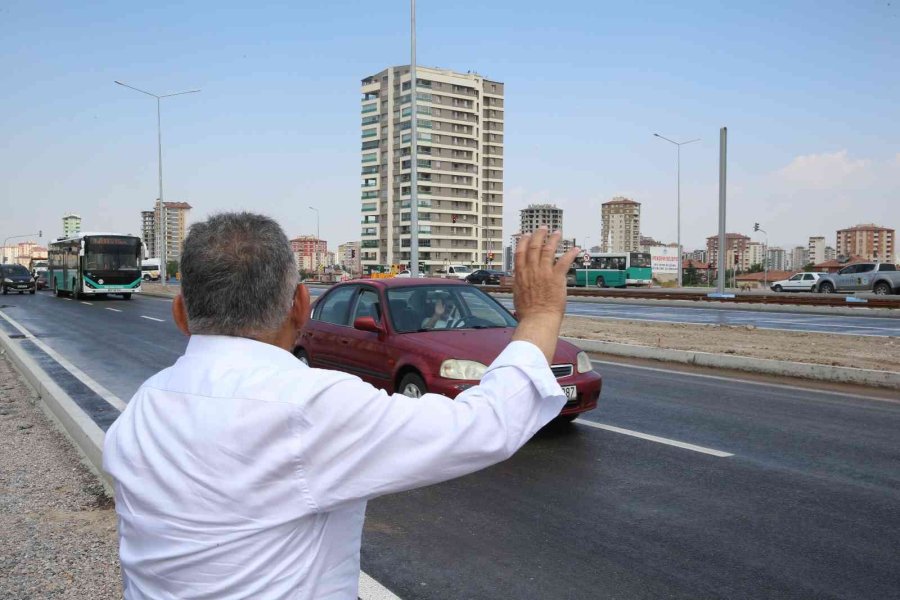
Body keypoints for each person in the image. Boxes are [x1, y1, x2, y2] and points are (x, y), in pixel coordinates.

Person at [103, 213, 580, 600]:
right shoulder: (308, 405)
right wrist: (539, 315)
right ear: (301, 306)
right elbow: (486, 425)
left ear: (180, 313)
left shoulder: (141, 411)